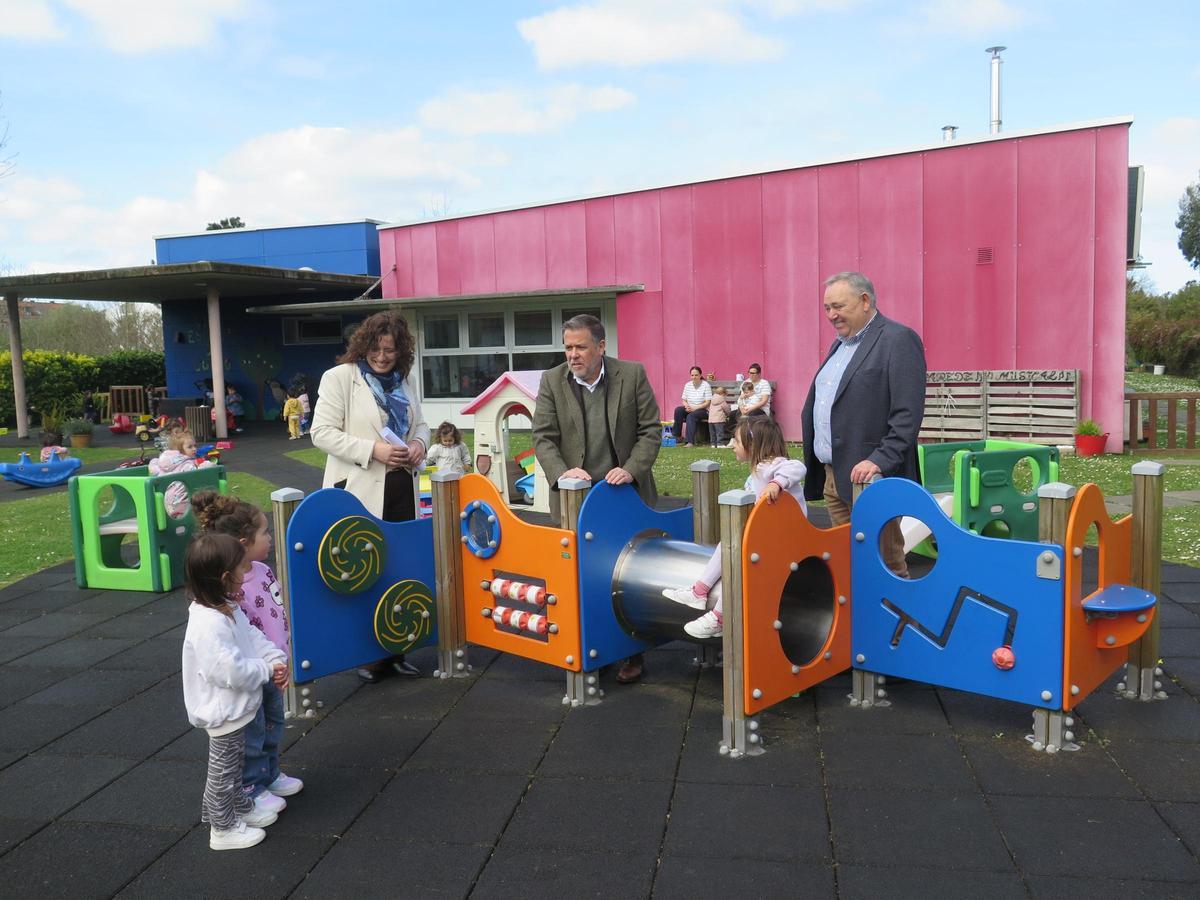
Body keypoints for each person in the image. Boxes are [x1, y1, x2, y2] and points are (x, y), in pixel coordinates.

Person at [532, 313, 661, 684]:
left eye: (581, 347)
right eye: (568, 347)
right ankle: (590, 647)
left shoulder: (631, 375)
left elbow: (650, 431)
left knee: (628, 576)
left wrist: (633, 469)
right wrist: (561, 473)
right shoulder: (552, 380)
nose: (573, 355)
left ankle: (631, 652)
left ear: (601, 347)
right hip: (577, 497)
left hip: (624, 494)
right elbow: (542, 436)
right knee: (581, 576)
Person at [311, 309, 431, 683]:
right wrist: (372, 451)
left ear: (402, 352)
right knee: (363, 571)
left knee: (400, 568)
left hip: (403, 490)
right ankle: (366, 652)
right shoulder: (340, 379)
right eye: (377, 349)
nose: (382, 357)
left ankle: (396, 650)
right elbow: (321, 433)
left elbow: (422, 424)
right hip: (359, 490)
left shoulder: (404, 381)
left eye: (391, 351)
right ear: (363, 346)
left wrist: (418, 443)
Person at [801, 271, 926, 578]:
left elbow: (907, 415)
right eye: (827, 308)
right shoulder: (841, 346)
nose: (831, 315)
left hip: (869, 479)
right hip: (834, 476)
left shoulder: (897, 340)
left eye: (838, 306)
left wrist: (879, 460)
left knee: (885, 566)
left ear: (865, 301)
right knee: (850, 565)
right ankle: (860, 624)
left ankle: (896, 624)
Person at [191, 491, 304, 816]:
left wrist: (279, 658)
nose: (270, 538)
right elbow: (240, 638)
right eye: (264, 533)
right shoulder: (231, 588)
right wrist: (266, 665)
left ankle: (269, 774)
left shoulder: (263, 571)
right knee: (251, 734)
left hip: (272, 666)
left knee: (273, 725)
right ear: (243, 542)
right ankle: (251, 786)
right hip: (251, 676)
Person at [181, 532, 288, 851]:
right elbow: (228, 670)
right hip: (222, 711)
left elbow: (251, 637)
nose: (248, 574)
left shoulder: (226, 606)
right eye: (243, 569)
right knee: (225, 772)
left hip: (237, 707)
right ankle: (222, 828)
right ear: (226, 577)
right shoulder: (208, 624)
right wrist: (265, 669)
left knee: (235, 766)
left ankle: (236, 808)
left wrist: (273, 657)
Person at [663, 417, 806, 638]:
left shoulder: (775, 466)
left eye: (736, 441)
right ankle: (699, 591)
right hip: (770, 539)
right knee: (729, 547)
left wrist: (777, 483)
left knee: (741, 565)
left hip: (788, 545)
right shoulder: (756, 473)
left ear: (754, 445)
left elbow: (798, 467)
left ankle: (719, 618)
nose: (732, 446)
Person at [671, 366, 712, 447]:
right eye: (692, 375)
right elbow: (684, 400)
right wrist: (687, 406)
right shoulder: (688, 385)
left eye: (696, 375)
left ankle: (690, 441)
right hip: (690, 408)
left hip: (703, 410)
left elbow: (707, 402)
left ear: (700, 375)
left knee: (691, 416)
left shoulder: (705, 385)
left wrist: (694, 408)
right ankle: (677, 436)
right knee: (678, 410)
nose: (694, 377)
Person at [149, 428, 215, 476]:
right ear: (179, 450)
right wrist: (207, 465)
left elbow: (154, 469)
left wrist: (154, 462)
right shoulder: (185, 464)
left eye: (195, 446)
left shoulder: (168, 462)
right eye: (190, 447)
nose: (194, 449)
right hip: (182, 493)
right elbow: (196, 473)